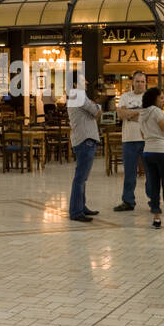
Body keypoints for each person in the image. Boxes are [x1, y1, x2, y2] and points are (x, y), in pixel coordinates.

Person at [120, 86, 164, 229]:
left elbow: (142, 134)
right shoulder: (156, 111)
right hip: (161, 151)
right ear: (154, 98)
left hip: (148, 151)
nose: (163, 101)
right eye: (161, 98)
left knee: (154, 185)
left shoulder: (142, 113)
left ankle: (156, 218)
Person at [67, 72, 101, 222]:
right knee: (80, 177)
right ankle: (76, 211)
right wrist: (97, 106)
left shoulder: (77, 96)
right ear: (75, 84)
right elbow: (96, 111)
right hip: (85, 140)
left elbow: (93, 111)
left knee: (82, 177)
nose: (86, 82)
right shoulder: (78, 95)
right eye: (82, 80)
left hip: (83, 139)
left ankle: (81, 206)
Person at [113, 71, 147, 212]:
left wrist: (130, 113)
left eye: (142, 81)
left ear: (146, 83)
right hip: (129, 140)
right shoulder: (125, 96)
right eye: (137, 81)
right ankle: (128, 201)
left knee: (150, 173)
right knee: (129, 173)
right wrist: (139, 112)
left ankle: (154, 201)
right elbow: (120, 114)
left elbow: (150, 115)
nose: (140, 84)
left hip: (146, 139)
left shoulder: (149, 97)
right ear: (133, 82)